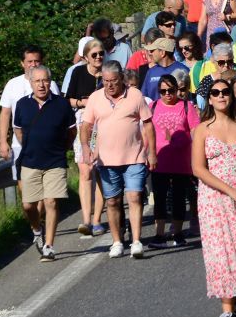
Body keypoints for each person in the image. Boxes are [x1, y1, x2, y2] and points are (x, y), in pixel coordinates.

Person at [191, 78, 236, 317]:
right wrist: (230, 190)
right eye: (215, 93)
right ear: (209, 98)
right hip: (214, 198)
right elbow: (198, 168)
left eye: (225, 92)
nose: (221, 96)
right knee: (221, 251)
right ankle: (227, 308)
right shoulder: (203, 129)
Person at [79, 61, 157, 259]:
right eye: (105, 81)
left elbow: (148, 125)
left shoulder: (135, 95)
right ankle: (117, 241)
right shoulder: (95, 98)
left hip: (134, 156)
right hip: (106, 160)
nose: (110, 85)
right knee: (112, 201)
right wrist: (88, 147)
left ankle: (137, 241)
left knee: (134, 196)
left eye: (113, 81)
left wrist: (151, 152)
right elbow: (88, 127)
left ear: (121, 78)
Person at [12, 66, 75, 262]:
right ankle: (37, 229)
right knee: (28, 205)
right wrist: (31, 146)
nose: (41, 85)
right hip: (30, 160)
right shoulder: (22, 104)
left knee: (51, 201)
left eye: (45, 80)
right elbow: (18, 130)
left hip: (55, 160)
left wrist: (61, 147)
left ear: (50, 82)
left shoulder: (61, 104)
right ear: (31, 83)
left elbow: (71, 131)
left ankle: (49, 245)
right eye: (37, 81)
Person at [0, 45, 59, 195]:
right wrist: (3, 142)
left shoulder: (51, 85)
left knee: (45, 187)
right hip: (20, 144)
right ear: (22, 63)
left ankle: (41, 215)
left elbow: (59, 113)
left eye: (37, 61)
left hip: (47, 145)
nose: (33, 65)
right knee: (25, 188)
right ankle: (35, 217)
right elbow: (5, 114)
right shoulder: (12, 85)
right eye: (29, 61)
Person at [149, 73, 200, 247]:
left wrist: (197, 156)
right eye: (163, 91)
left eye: (171, 90)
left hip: (181, 161)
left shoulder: (186, 106)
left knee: (179, 198)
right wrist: (147, 154)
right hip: (159, 160)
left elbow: (195, 132)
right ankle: (159, 235)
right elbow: (146, 132)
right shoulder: (153, 107)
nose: (167, 94)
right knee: (160, 198)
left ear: (177, 89)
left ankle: (178, 233)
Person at [65, 39, 106, 237]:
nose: (98, 58)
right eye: (94, 55)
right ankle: (86, 220)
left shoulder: (109, 72)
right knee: (85, 170)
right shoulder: (78, 72)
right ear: (86, 56)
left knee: (100, 172)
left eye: (101, 54)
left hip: (104, 124)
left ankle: (97, 219)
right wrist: (84, 102)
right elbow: (68, 99)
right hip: (84, 122)